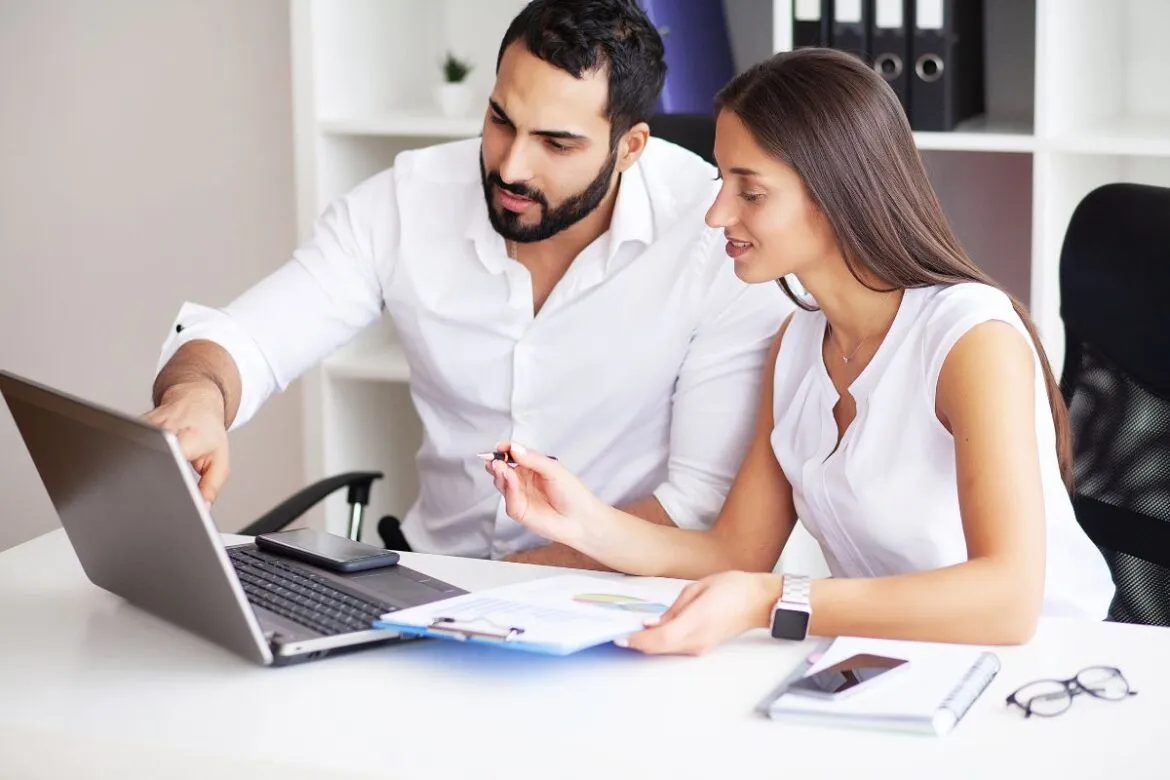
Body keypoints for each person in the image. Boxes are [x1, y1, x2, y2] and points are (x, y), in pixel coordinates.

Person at [485, 47, 1116, 652]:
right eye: (720, 181)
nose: (716, 215)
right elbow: (734, 554)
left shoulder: (970, 340)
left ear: (838, 193)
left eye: (750, 192)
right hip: (902, 662)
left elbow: (1007, 600)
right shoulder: (796, 343)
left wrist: (771, 602)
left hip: (1051, 668)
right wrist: (579, 519)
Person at [146, 0, 789, 565]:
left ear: (630, 147)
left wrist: (513, 584)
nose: (511, 165)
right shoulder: (408, 200)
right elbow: (249, 341)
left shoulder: (716, 239)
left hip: (608, 592)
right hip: (430, 577)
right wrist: (198, 397)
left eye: (556, 144)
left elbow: (697, 504)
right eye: (501, 120)